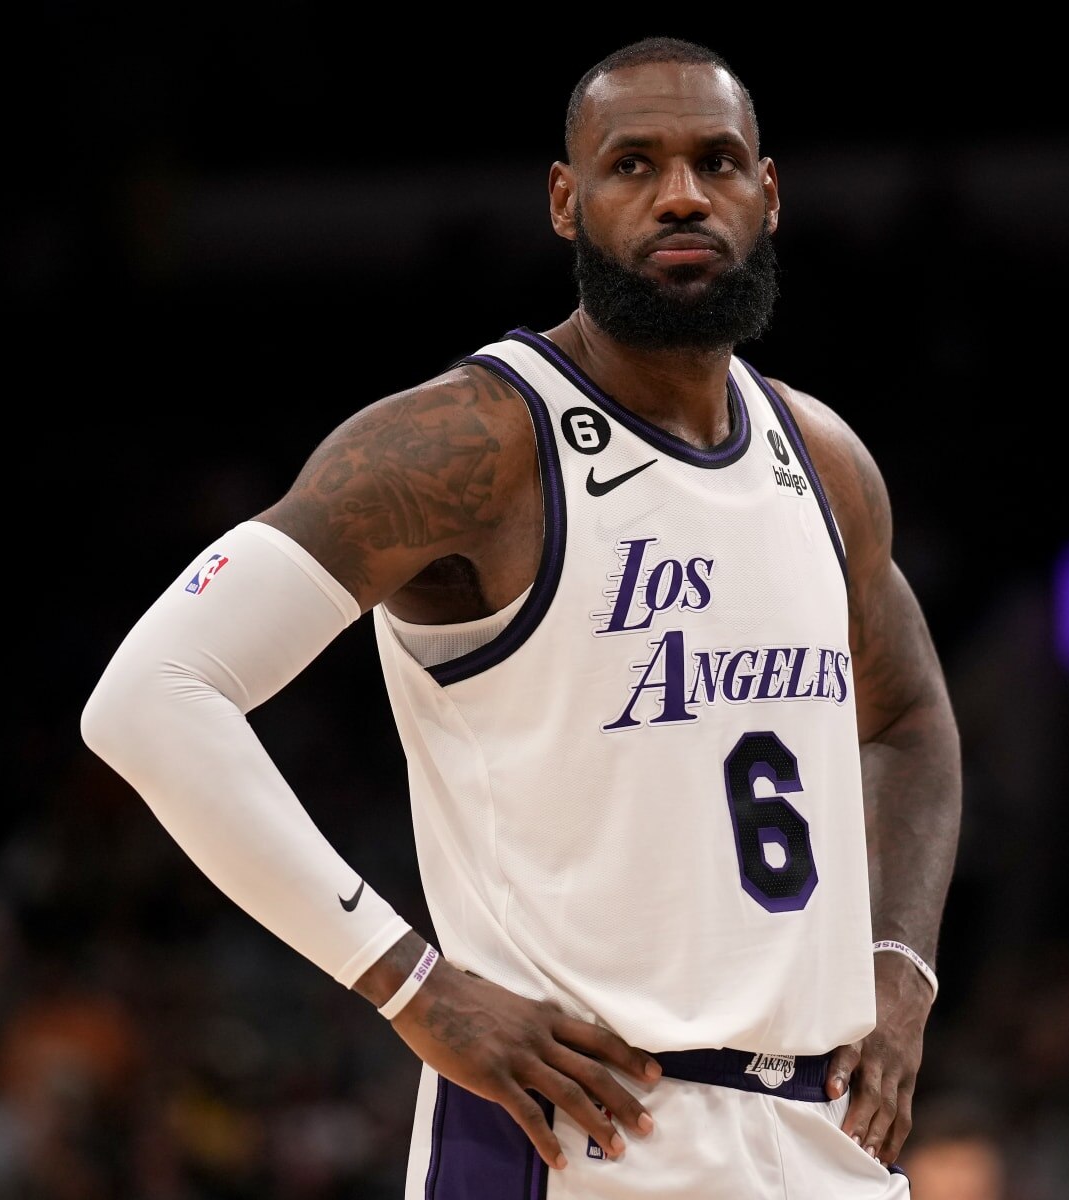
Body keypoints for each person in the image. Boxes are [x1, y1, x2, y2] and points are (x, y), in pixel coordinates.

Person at [81, 34, 962, 1199]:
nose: (682, 195)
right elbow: (151, 695)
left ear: (768, 193)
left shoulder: (823, 458)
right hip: (577, 1135)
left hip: (820, 1140)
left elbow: (910, 718)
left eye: (715, 161)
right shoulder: (473, 441)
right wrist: (408, 982)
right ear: (565, 199)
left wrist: (901, 968)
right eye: (633, 165)